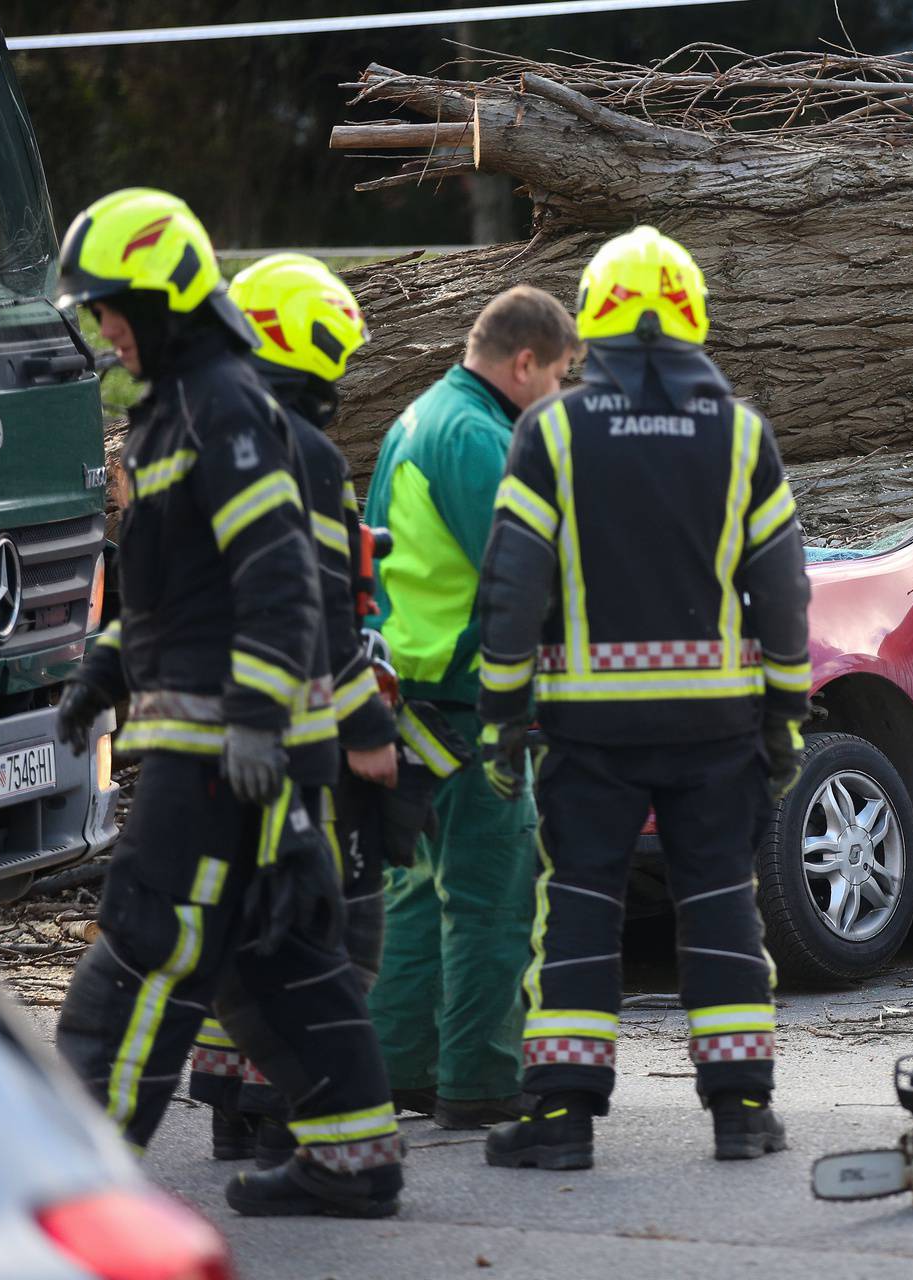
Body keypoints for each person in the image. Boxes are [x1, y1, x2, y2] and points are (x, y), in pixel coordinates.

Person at [50, 188, 402, 1216]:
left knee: (146, 933)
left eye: (114, 306)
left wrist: (254, 721)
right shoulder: (170, 415)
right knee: (271, 950)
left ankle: (76, 1179)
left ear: (167, 301)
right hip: (209, 731)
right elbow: (171, 585)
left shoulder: (225, 404)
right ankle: (353, 1159)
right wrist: (101, 671)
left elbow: (281, 577)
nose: (106, 327)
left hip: (223, 741)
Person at [476, 226, 811, 1170]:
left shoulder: (552, 432)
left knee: (579, 906)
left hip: (589, 730)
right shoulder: (744, 436)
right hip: (718, 725)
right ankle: (742, 1113)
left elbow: (512, 589)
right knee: (721, 904)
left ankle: (562, 1121)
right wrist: (785, 715)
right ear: (695, 319)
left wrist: (502, 717)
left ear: (593, 327)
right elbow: (782, 593)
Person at [183, 254, 401, 1167]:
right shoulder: (302, 453)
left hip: (205, 729)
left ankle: (235, 1098)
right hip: (297, 731)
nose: (340, 385)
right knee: (320, 922)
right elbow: (318, 606)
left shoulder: (200, 436)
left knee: (241, 916)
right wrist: (368, 723)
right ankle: (302, 1111)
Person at [364, 285, 578, 1129]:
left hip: (413, 699)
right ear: (524, 363)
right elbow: (519, 570)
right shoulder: (478, 436)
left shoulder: (420, 418)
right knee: (492, 898)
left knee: (415, 891)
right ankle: (484, 1081)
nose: (558, 396)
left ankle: (401, 1068)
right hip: (467, 695)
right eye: (559, 376)